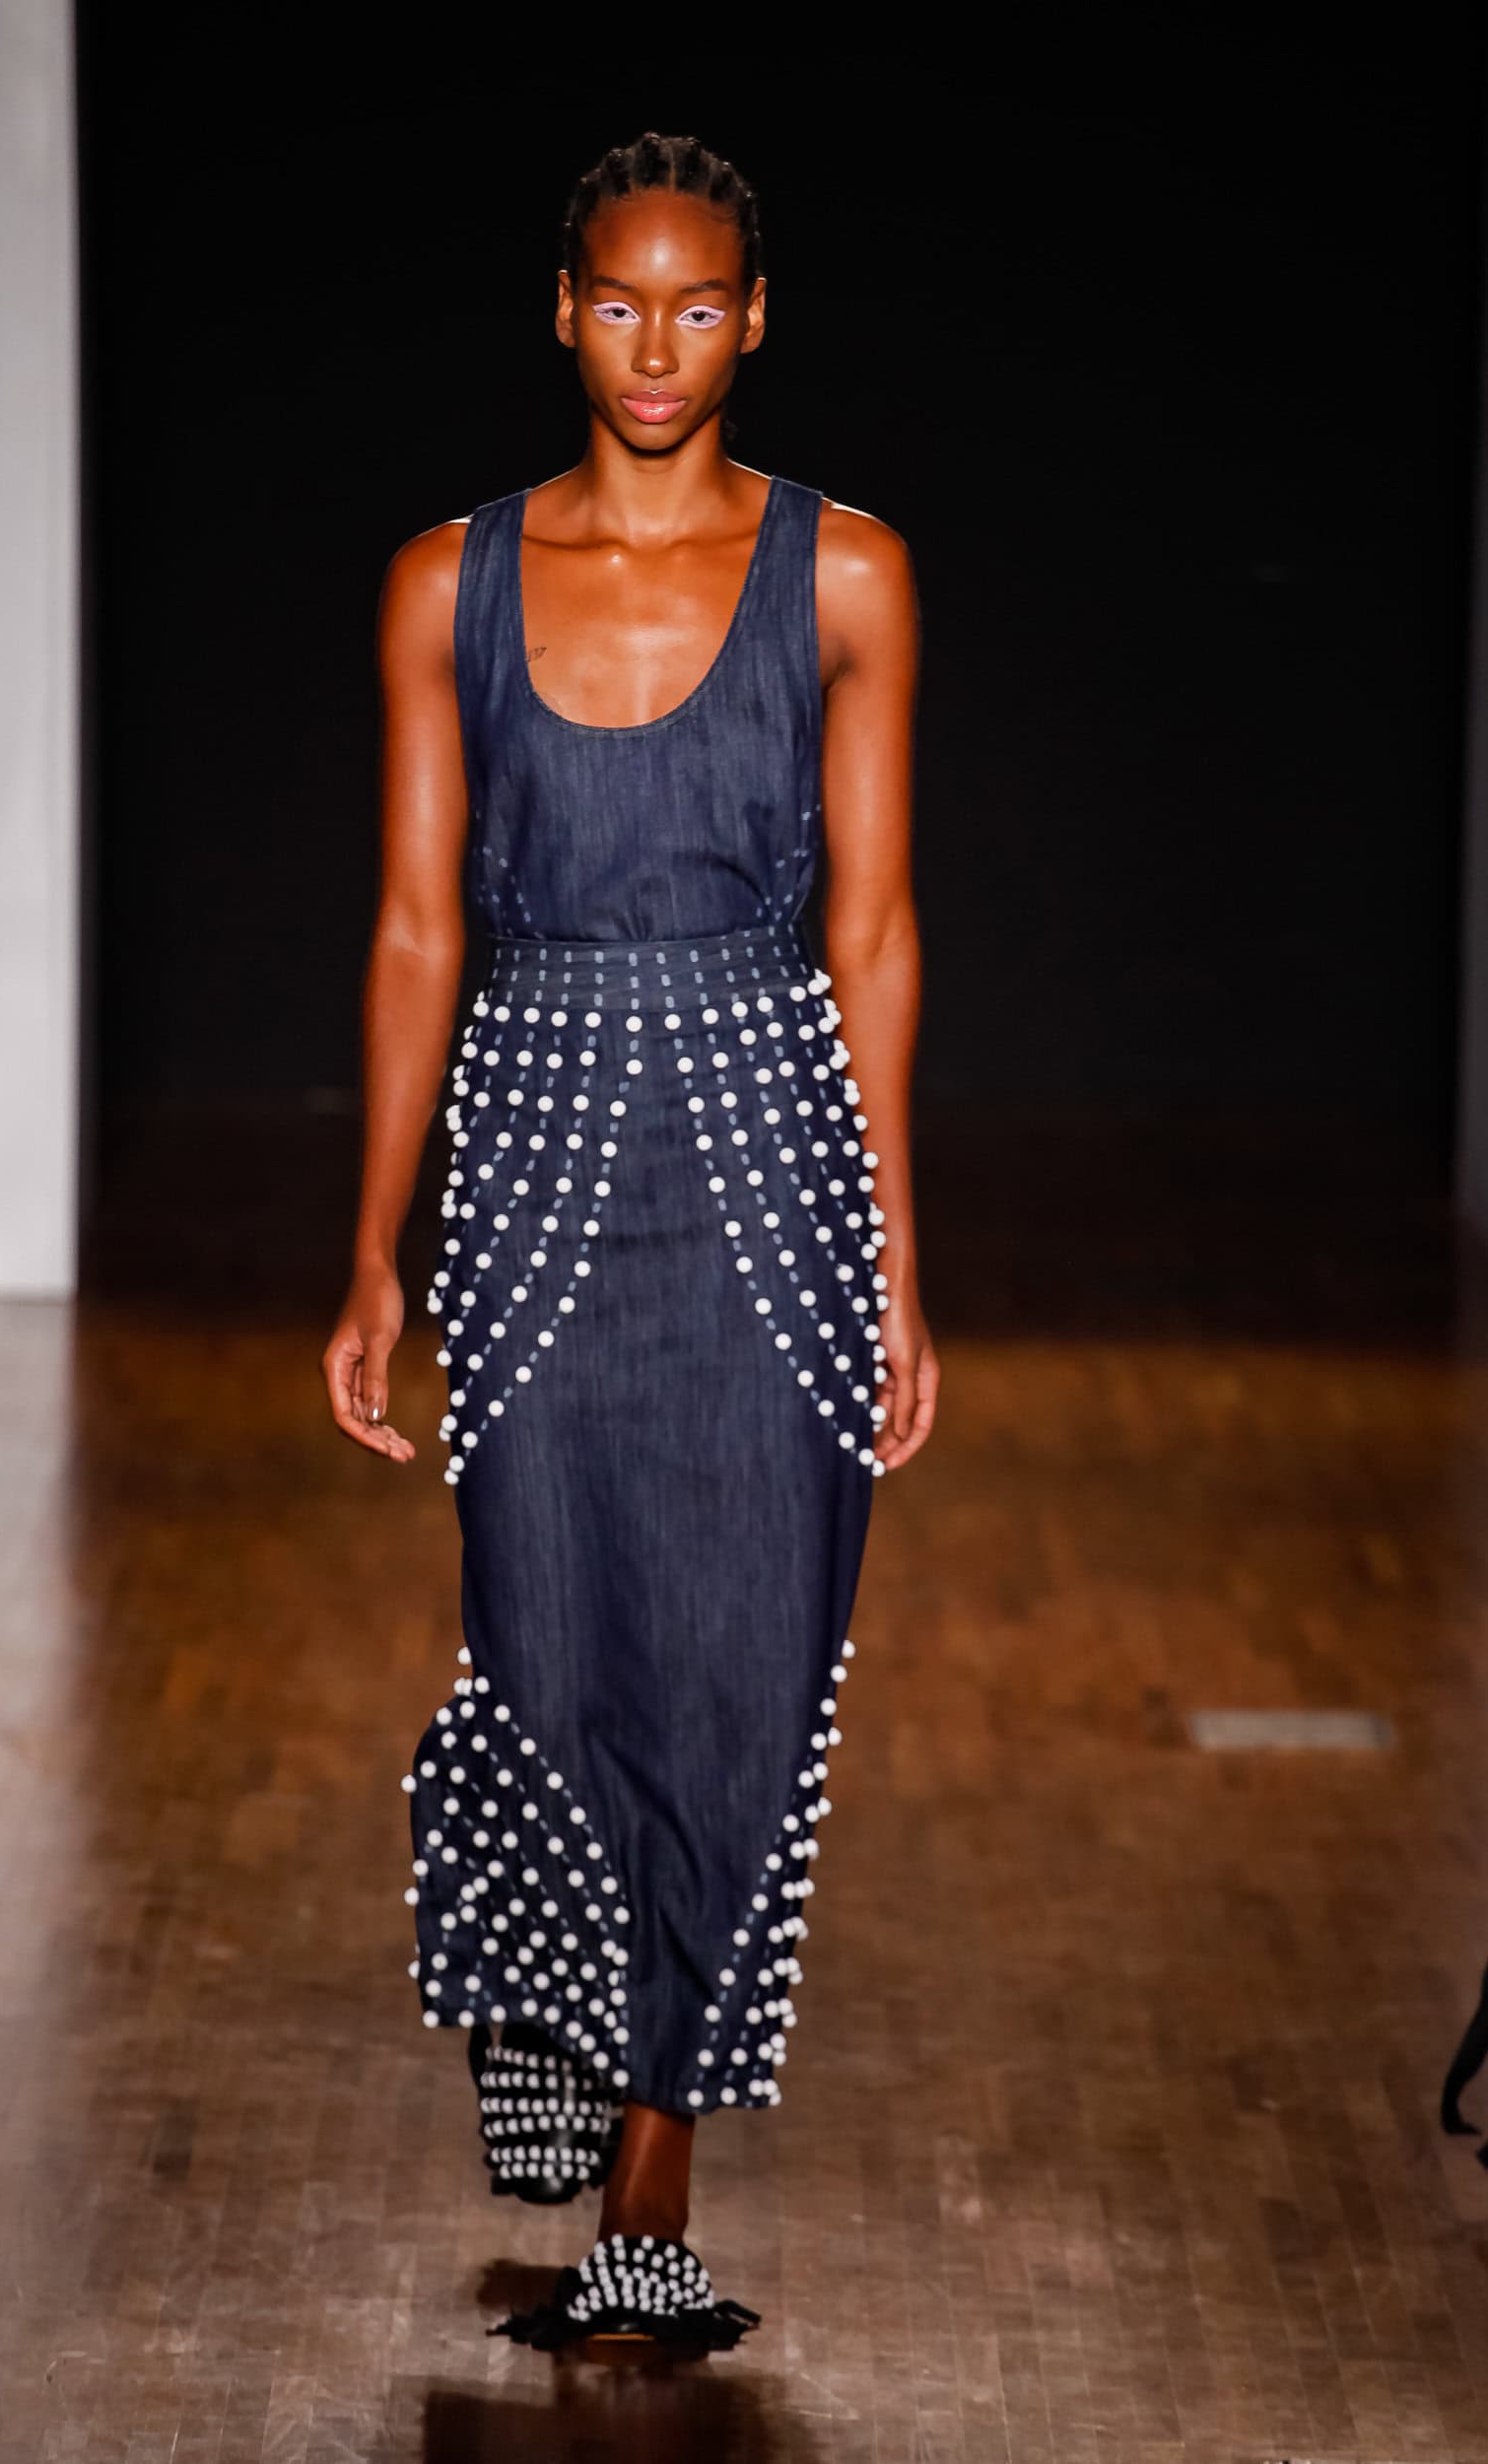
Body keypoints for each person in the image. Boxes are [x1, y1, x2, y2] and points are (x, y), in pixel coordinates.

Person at [323, 129, 937, 2353]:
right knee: (550, 1637)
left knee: (750, 1664)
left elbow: (874, 929)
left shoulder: (847, 576)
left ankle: (650, 2178)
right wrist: (377, 1247)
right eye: (618, 299)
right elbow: (417, 927)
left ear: (754, 317)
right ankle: (544, 1985)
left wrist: (901, 1254)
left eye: (697, 302)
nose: (655, 343)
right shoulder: (448, 582)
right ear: (561, 309)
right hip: (535, 1155)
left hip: (771, 1160)